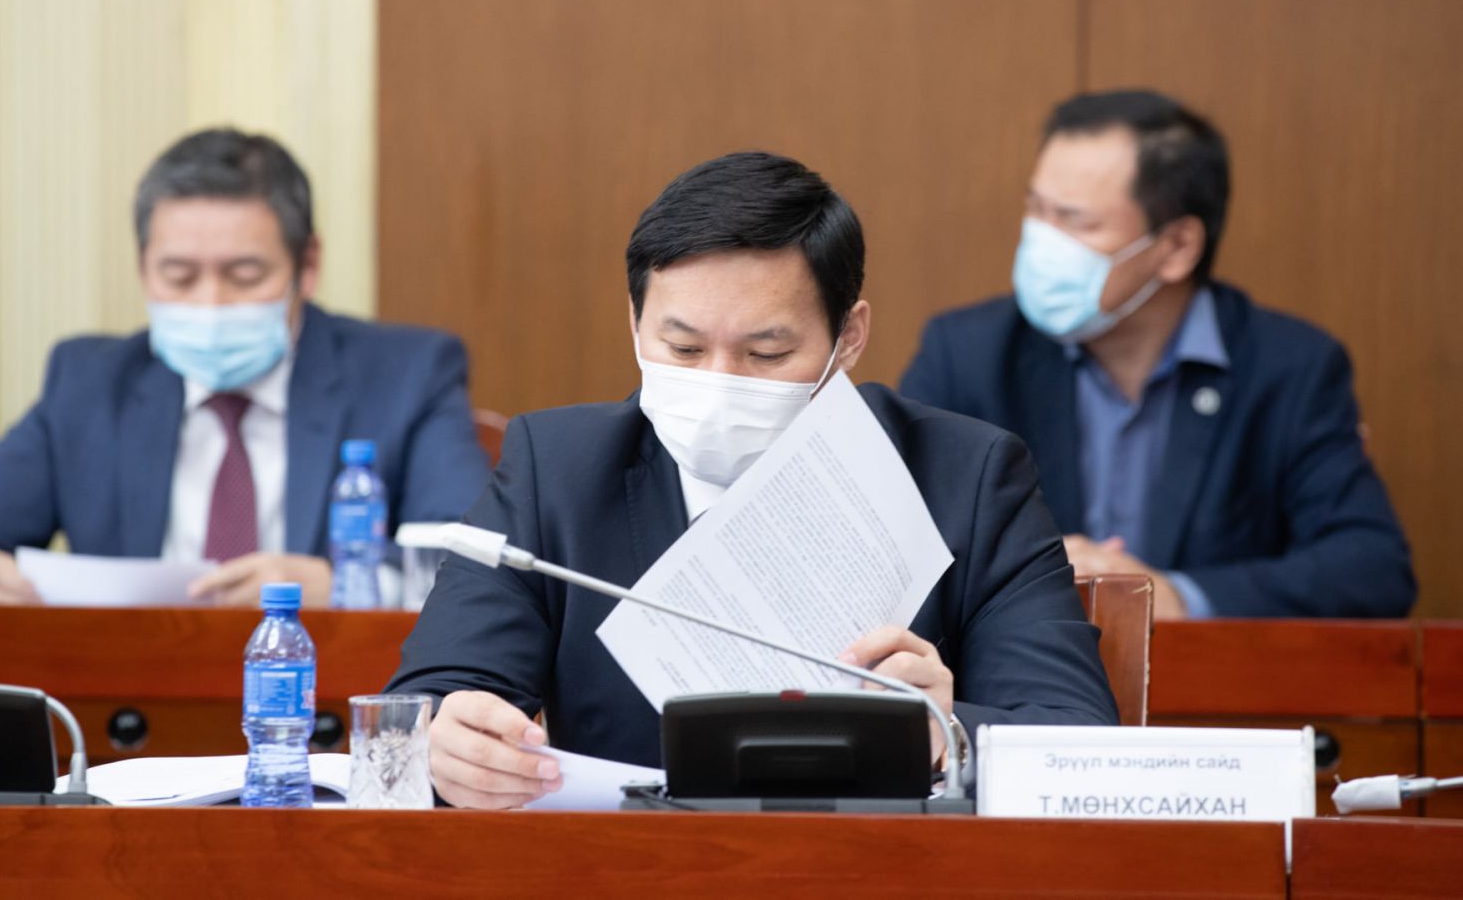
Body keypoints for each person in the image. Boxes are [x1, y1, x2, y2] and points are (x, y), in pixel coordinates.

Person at [391, 151, 1117, 810]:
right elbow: (422, 709)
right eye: (682, 347)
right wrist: (446, 747)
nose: (718, 382)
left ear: (848, 336)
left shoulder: (967, 475)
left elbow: (1075, 740)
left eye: (766, 353)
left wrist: (943, 734)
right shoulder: (557, 468)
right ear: (635, 322)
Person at [0, 128, 490, 606]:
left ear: (307, 266)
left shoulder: (408, 376)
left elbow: (474, 568)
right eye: (179, 276)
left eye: (244, 275)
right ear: (143, 268)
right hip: (130, 710)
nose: (210, 303)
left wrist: (344, 586)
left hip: (322, 704)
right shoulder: (90, 384)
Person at [900, 89, 1415, 620]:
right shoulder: (967, 354)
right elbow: (895, 539)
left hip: (1205, 671)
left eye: (1077, 222)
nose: (1041, 242)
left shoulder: (1291, 369)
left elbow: (1372, 570)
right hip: (1016, 670)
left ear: (1177, 247)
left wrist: (1176, 596)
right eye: (1037, 210)